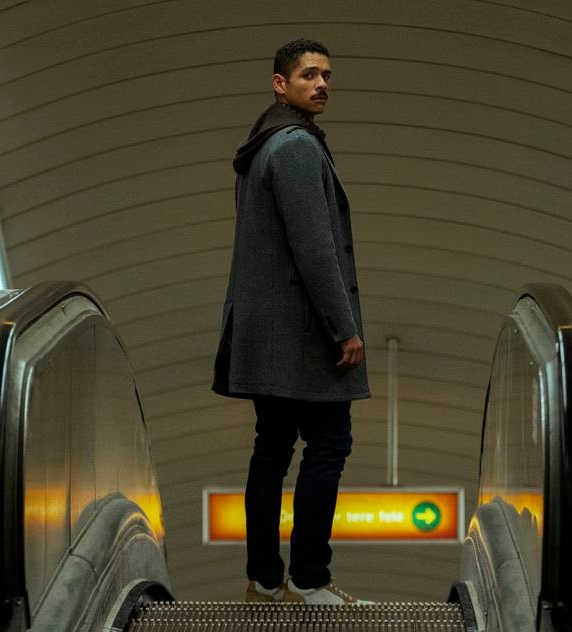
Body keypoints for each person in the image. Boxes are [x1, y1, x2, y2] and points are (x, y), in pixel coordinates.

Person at [212, 38, 371, 605]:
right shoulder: (297, 148)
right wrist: (344, 326)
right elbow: (314, 248)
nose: (322, 83)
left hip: (264, 333)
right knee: (329, 443)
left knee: (272, 446)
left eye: (327, 74)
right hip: (303, 335)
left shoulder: (261, 146)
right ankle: (308, 578)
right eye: (308, 75)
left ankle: (262, 578)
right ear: (281, 84)